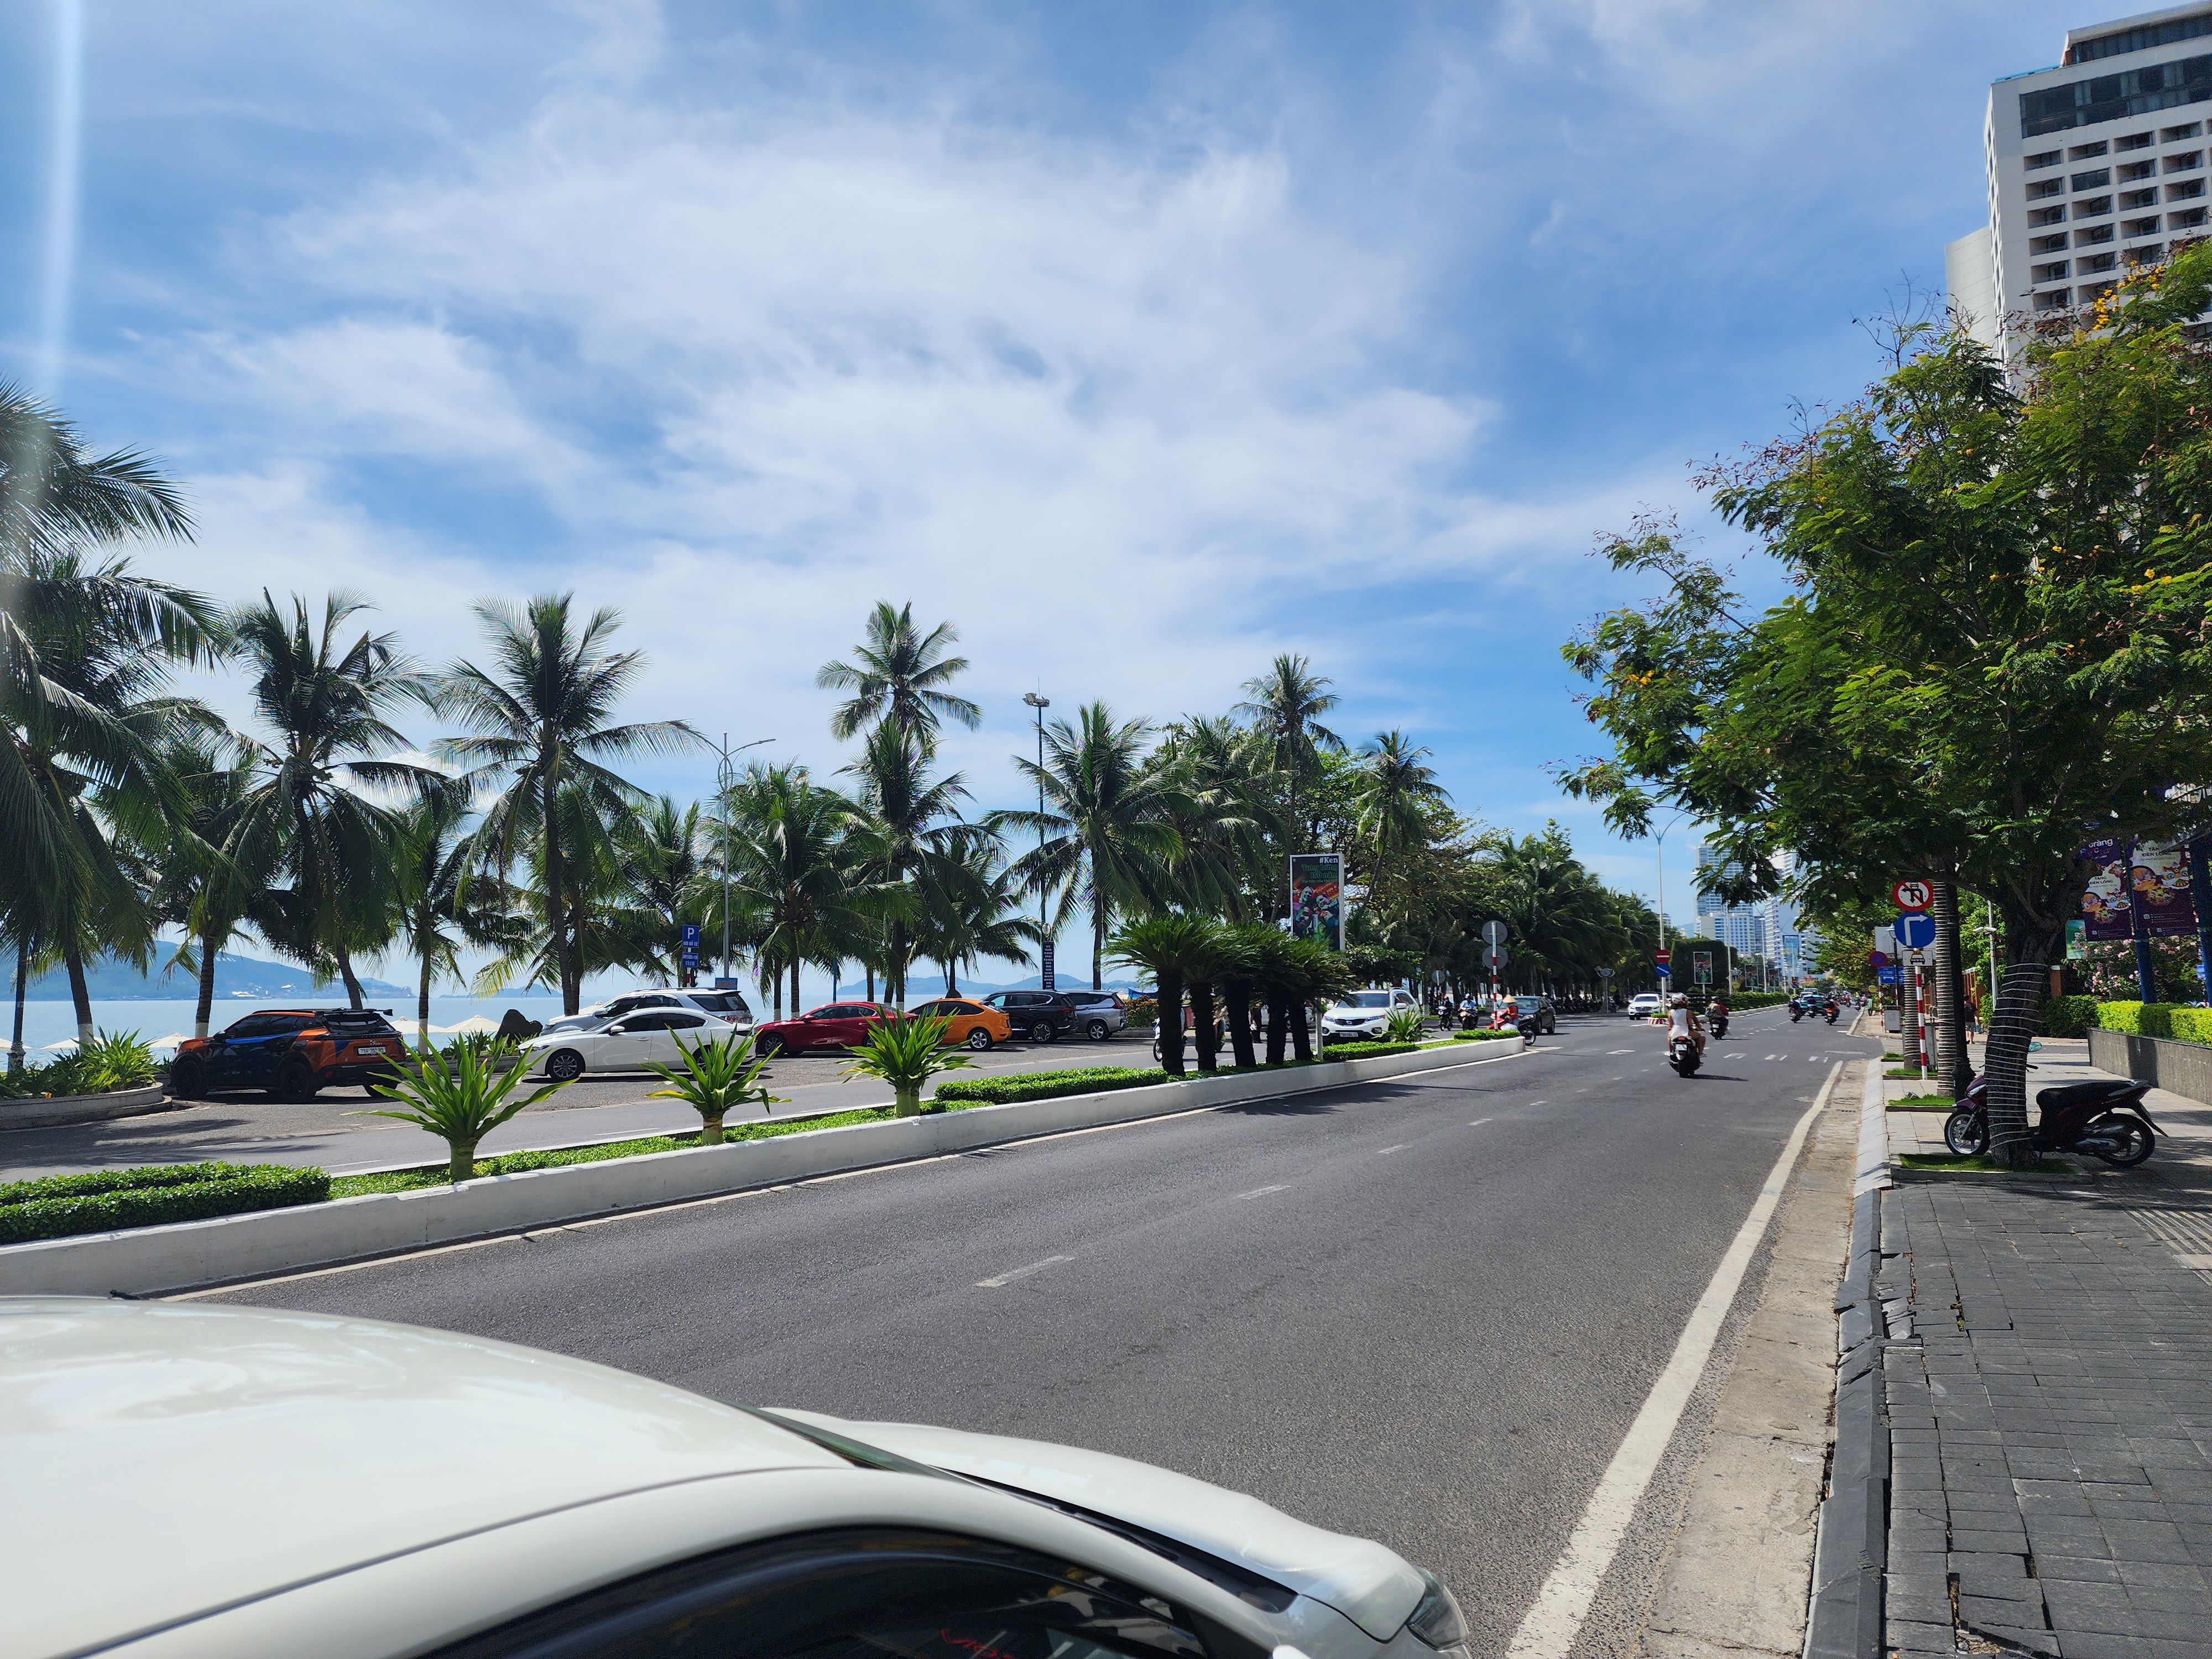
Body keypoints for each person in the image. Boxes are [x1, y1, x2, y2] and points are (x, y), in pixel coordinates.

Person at [1667, 992, 1705, 1056]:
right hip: (1686, 1032)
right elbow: (1692, 1023)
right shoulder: (1688, 1012)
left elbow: (1671, 1025)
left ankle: (1671, 1052)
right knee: (1701, 1037)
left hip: (1675, 1032)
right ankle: (1700, 1053)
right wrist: (1699, 1028)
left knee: (1669, 1037)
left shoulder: (1670, 1012)